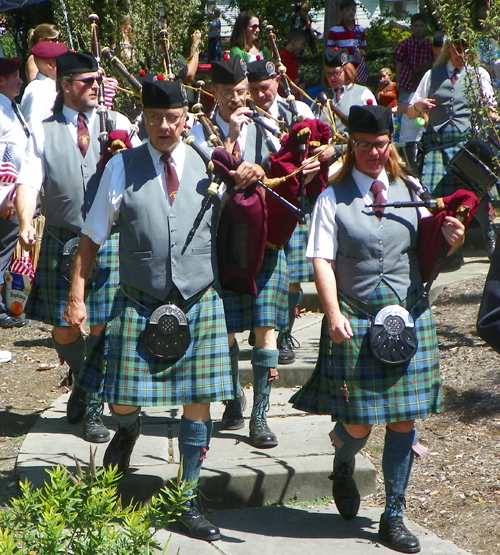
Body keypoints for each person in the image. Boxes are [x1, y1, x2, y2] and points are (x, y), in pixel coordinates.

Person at [62, 77, 257, 542]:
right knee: (121, 401)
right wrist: (76, 295)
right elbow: (91, 239)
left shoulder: (212, 162)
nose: (164, 126)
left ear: (186, 117)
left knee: (197, 406)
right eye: (154, 119)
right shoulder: (121, 167)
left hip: (198, 300)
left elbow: (246, 214)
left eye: (172, 118)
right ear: (143, 120)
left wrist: (249, 181)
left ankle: (186, 500)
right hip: (138, 300)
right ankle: (127, 429)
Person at [290, 104, 465, 553]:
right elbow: (321, 261)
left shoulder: (411, 187)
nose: (372, 152)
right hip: (357, 319)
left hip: (406, 320)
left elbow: (428, 247)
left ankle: (394, 513)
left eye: (379, 144)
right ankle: (343, 462)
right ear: (351, 145)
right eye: (363, 145)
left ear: (391, 144)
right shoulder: (332, 197)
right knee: (358, 428)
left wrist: (452, 237)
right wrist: (331, 314)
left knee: (404, 420)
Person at [16, 51, 140, 443]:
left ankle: (89, 405)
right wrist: (24, 222)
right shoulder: (44, 130)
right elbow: (29, 182)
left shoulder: (116, 123)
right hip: (62, 240)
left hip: (110, 242)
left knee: (101, 330)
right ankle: (83, 383)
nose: (94, 87)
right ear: (65, 86)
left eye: (96, 80)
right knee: (66, 330)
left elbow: (142, 170)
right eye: (86, 81)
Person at [189, 57, 289, 447]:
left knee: (265, 331)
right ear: (213, 93)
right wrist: (229, 139)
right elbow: (201, 180)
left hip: (262, 243)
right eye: (228, 93)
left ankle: (260, 417)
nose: (237, 100)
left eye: (242, 93)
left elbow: (283, 168)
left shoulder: (266, 126)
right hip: (220, 243)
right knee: (226, 330)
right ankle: (233, 395)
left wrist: (262, 172)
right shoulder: (197, 128)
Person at [247, 58, 327, 365]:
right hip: (264, 199)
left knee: (292, 277)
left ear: (277, 83)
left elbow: (324, 145)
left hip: (297, 199)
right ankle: (267, 324)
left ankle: (284, 334)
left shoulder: (299, 111)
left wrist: (316, 161)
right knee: (266, 273)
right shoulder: (247, 117)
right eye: (253, 89)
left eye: (264, 88)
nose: (260, 94)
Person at [408, 37, 498, 261]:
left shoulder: (478, 74)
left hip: (468, 144)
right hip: (438, 146)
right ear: (448, 48)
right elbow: (410, 112)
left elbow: (490, 107)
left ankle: (491, 241)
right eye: (457, 48)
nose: (461, 53)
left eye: (465, 49)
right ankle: (445, 249)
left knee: (479, 197)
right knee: (435, 198)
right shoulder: (431, 75)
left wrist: (491, 116)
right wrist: (418, 107)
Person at [0, 57, 29, 329]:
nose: (20, 80)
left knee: (6, 251)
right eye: (14, 76)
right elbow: (2, 156)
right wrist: (5, 195)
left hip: (13, 191)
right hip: (5, 194)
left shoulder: (9, 107)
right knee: (2, 252)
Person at [317, 47, 376, 137]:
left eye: (336, 73)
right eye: (328, 74)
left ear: (347, 70)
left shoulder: (363, 94)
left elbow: (373, 128)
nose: (332, 78)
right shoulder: (320, 98)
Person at [20, 41, 68, 130]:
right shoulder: (38, 91)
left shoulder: (50, 87)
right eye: (63, 60)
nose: (67, 64)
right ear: (50, 64)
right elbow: (34, 130)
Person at [326, 0, 368, 85]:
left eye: (353, 9)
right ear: (341, 12)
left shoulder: (360, 30)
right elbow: (330, 51)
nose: (351, 12)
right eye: (347, 10)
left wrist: (362, 52)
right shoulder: (335, 30)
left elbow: (364, 48)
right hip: (342, 71)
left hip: (357, 70)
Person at [279, 28, 309, 99]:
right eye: (302, 44)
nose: (303, 47)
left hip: (295, 96)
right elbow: (279, 79)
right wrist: (291, 90)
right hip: (286, 97)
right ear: (294, 41)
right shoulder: (283, 57)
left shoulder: (294, 57)